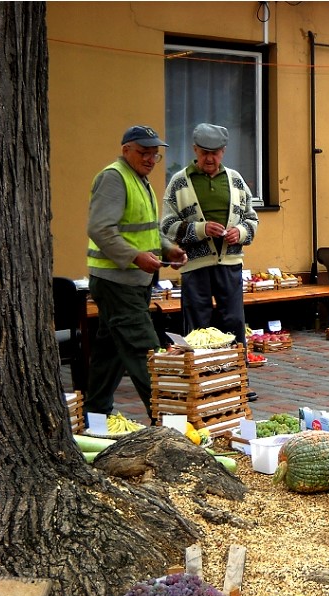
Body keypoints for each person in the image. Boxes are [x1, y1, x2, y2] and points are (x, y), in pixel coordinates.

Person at [85, 125, 187, 420]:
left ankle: (95, 416)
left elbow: (147, 229)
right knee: (146, 351)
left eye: (155, 155)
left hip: (130, 281)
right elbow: (99, 228)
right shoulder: (114, 178)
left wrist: (167, 249)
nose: (150, 159)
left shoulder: (138, 179)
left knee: (111, 350)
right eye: (144, 152)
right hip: (118, 282)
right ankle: (169, 422)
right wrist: (134, 257)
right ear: (125, 149)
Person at [160, 123, 259, 401]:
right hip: (195, 266)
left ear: (223, 151)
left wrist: (241, 232)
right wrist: (200, 231)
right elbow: (167, 225)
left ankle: (237, 382)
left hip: (230, 263)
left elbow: (252, 218)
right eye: (204, 152)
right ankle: (201, 383)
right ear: (194, 150)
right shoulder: (179, 181)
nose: (210, 158)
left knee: (234, 322)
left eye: (215, 153)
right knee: (197, 326)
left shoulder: (236, 180)